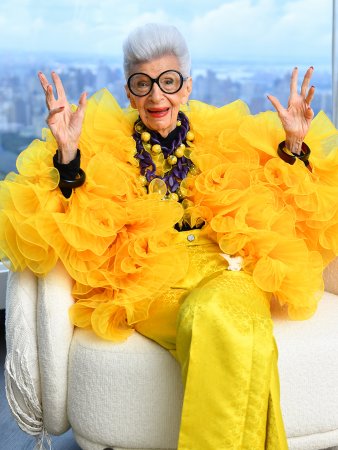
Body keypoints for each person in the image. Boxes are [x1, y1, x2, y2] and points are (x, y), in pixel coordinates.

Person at [1, 22, 338, 449]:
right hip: (150, 279)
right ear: (129, 92)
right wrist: (69, 156)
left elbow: (283, 197)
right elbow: (69, 220)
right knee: (228, 324)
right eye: (143, 84)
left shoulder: (220, 135)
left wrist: (293, 145)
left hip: (226, 267)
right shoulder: (106, 143)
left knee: (224, 314)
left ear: (187, 86)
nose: (156, 96)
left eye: (168, 81)